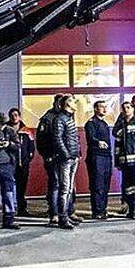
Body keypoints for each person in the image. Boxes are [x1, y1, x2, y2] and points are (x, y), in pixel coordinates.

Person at [52, 95, 81, 229]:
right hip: (66, 159)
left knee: (69, 189)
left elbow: (73, 138)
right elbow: (57, 139)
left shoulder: (69, 118)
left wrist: (76, 154)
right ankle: (62, 218)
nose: (76, 103)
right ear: (68, 104)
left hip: (73, 157)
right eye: (74, 102)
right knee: (64, 189)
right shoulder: (59, 119)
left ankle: (67, 215)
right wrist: (67, 154)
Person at [36, 94, 64, 226]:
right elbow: (41, 140)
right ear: (56, 103)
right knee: (55, 184)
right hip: (52, 157)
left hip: (66, 158)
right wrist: (47, 155)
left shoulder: (67, 117)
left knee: (66, 186)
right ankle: (54, 214)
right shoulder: (47, 118)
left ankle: (67, 212)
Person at [84, 101, 113, 220]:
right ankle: (97, 211)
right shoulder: (91, 123)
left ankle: (103, 209)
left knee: (105, 184)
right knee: (97, 184)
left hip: (106, 156)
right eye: (102, 107)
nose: (104, 109)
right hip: (96, 157)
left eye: (105, 107)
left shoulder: (104, 123)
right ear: (95, 109)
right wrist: (98, 142)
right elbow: (91, 137)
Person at [7, 108, 37, 217]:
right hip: (9, 164)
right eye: (12, 115)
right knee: (8, 187)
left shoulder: (27, 130)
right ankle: (9, 210)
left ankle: (22, 209)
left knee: (21, 187)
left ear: (19, 117)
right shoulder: (6, 129)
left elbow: (31, 146)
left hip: (23, 164)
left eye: (16, 115)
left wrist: (28, 158)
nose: (14, 117)